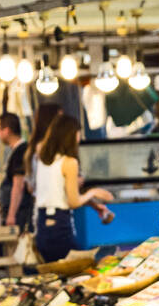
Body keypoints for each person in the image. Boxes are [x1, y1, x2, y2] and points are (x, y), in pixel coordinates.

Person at [33, 112, 112, 262]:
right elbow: (73, 202)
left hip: (42, 225)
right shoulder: (69, 162)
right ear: (70, 135)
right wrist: (94, 192)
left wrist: (95, 206)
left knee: (57, 273)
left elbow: (57, 192)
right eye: (78, 133)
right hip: (59, 226)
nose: (79, 138)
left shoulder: (43, 157)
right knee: (81, 269)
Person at [20, 101, 62, 231]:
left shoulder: (31, 150)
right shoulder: (48, 152)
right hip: (55, 212)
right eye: (60, 119)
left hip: (39, 210)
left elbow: (30, 187)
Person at [0, 110, 30, 232]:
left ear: (7, 130)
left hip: (21, 213)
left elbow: (18, 184)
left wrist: (11, 214)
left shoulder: (20, 151)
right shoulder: (17, 151)